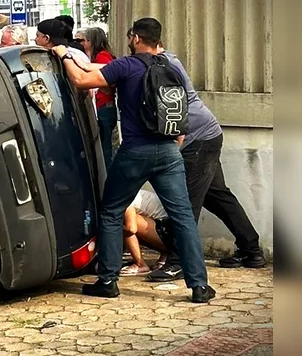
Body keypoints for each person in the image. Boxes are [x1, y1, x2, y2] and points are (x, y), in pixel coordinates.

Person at [51, 17, 215, 303]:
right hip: (168, 151)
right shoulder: (170, 67)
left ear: (136, 38)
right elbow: (180, 117)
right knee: (183, 217)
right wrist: (173, 147)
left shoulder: (126, 65)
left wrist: (63, 54)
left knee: (113, 210)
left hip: (135, 153)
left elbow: (81, 80)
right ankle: (199, 286)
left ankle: (108, 281)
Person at [146, 43, 266, 281]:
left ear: (140, 39)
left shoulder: (164, 64)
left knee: (185, 203)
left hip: (198, 140)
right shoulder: (164, 59)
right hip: (207, 134)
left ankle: (179, 262)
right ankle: (251, 250)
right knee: (218, 196)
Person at [81, 27, 117, 167]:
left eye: (85, 40)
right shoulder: (103, 55)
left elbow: (109, 80)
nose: (83, 44)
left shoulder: (102, 56)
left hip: (104, 106)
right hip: (105, 106)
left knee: (106, 147)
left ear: (90, 41)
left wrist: (100, 87)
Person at [120, 189, 171, 276]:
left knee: (125, 224)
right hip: (170, 233)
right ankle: (165, 255)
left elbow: (131, 229)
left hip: (170, 235)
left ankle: (140, 265)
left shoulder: (124, 198)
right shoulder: (131, 192)